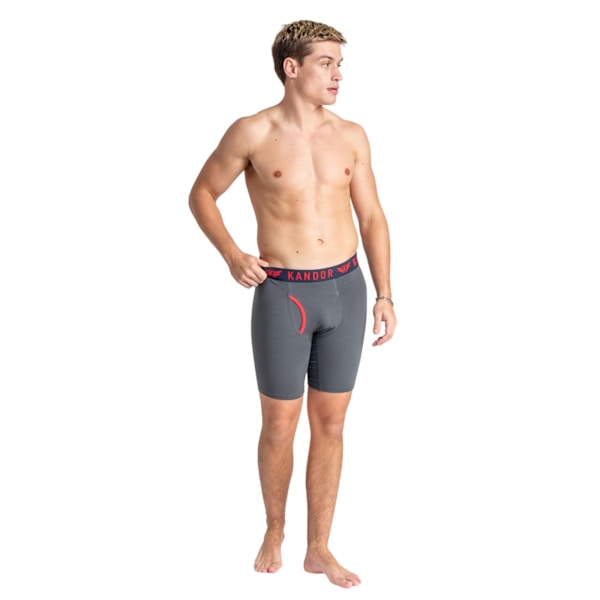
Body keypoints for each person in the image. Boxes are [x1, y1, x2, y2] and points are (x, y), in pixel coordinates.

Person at [188, 19, 396, 589]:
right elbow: (201, 192)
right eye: (326, 63)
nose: (338, 74)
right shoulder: (252, 132)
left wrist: (384, 292)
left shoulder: (351, 135)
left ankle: (319, 548)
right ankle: (275, 529)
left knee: (332, 423)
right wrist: (232, 254)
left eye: (339, 64)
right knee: (279, 426)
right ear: (292, 67)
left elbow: (372, 216)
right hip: (284, 294)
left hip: (345, 289)